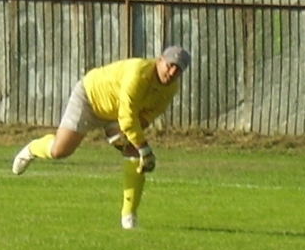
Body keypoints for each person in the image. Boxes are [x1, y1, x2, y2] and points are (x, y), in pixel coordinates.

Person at [11, 45, 191, 230]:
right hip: (90, 98)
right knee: (60, 151)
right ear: (159, 60)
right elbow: (127, 116)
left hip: (117, 114)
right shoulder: (138, 72)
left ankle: (129, 217)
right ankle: (32, 149)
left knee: (134, 153)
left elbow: (146, 117)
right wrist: (144, 147)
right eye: (170, 65)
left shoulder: (170, 88)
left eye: (178, 70)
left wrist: (129, 141)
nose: (171, 72)